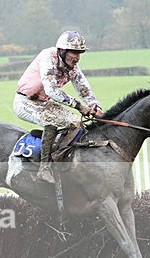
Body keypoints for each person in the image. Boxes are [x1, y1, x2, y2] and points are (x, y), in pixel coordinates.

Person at [13, 30, 103, 183]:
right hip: (25, 102)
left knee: (77, 122)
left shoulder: (73, 67)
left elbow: (83, 88)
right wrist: (79, 106)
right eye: (74, 52)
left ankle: (67, 161)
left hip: (44, 103)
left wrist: (94, 105)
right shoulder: (48, 57)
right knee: (52, 121)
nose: (77, 57)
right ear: (62, 51)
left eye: (79, 53)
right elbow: (51, 90)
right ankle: (44, 168)